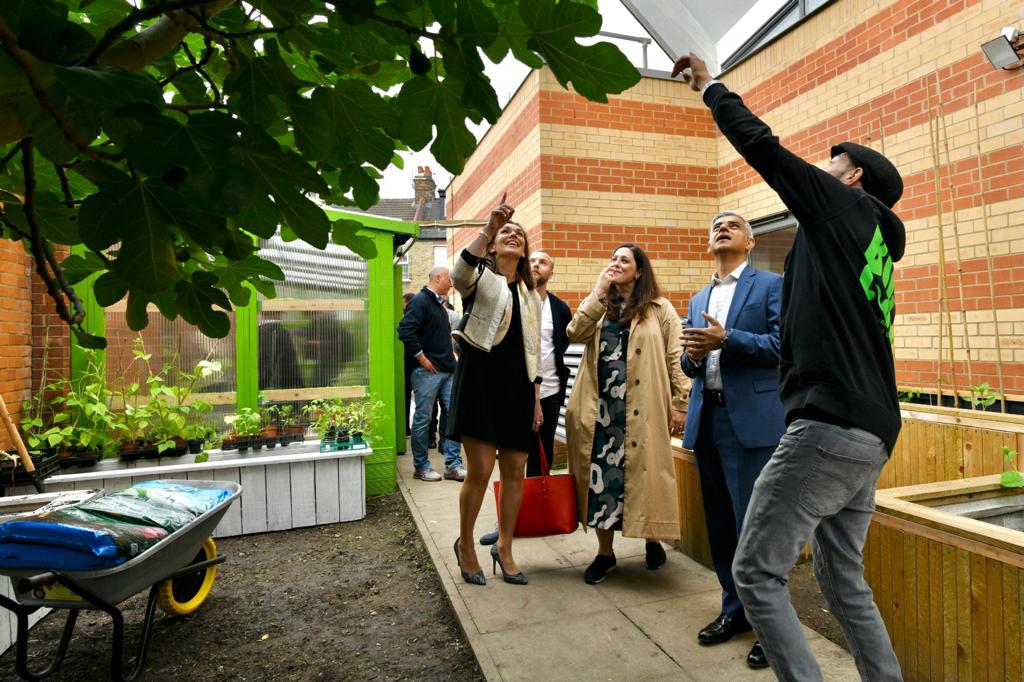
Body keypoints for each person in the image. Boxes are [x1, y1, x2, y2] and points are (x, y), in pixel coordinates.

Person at [673, 54, 906, 681]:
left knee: (754, 570)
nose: (822, 170)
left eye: (833, 165)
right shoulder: (873, 247)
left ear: (851, 178)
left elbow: (765, 148)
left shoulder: (842, 211)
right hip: (872, 430)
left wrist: (710, 87)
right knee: (841, 578)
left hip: (827, 426)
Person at [680, 211, 785, 670]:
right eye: (715, 226)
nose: (721, 228)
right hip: (709, 422)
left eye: (732, 225)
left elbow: (784, 347)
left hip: (753, 426)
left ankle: (772, 629)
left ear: (749, 240)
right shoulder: (698, 296)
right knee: (722, 527)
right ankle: (734, 612)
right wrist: (691, 356)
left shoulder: (770, 286)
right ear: (709, 244)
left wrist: (728, 339)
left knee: (755, 529)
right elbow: (690, 365)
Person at [564, 244, 689, 585]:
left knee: (646, 475)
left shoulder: (660, 308)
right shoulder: (601, 307)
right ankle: (605, 554)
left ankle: (652, 539)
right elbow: (574, 332)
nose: (616, 264)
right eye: (613, 259)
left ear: (638, 271)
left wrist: (681, 403)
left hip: (644, 405)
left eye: (624, 260)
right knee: (602, 480)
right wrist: (597, 293)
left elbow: (676, 354)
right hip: (602, 410)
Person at [448, 193, 542, 587]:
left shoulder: (530, 294)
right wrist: (488, 228)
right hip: (481, 381)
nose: (513, 235)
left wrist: (536, 398)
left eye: (519, 233)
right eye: (506, 232)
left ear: (525, 250)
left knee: (516, 470)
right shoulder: (480, 278)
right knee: (481, 469)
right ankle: (466, 544)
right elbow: (457, 275)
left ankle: (504, 547)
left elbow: (535, 349)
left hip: (518, 387)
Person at [479, 250, 572, 546]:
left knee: (542, 453)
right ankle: (507, 521)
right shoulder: (513, 299)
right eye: (532, 261)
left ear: (551, 272)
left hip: (551, 391)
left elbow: (563, 346)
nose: (535, 265)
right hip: (517, 392)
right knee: (513, 458)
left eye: (543, 262)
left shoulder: (559, 308)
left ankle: (535, 516)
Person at [397, 267, 465, 482]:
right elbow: (405, 330)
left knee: (454, 417)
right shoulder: (420, 301)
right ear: (438, 278)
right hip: (427, 372)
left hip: (447, 370)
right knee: (423, 419)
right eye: (449, 280)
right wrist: (422, 358)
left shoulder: (438, 304)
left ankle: (453, 466)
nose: (451, 284)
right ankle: (421, 467)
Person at [402, 292, 416, 444]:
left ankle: (406, 428)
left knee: (406, 396)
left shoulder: (407, 317)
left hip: (409, 362)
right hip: (417, 363)